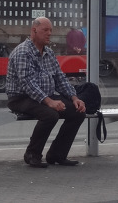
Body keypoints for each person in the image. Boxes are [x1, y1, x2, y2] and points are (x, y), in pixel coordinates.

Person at [6, 16, 86, 167]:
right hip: (20, 97)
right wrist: (50, 102)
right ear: (34, 30)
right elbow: (28, 83)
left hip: (44, 96)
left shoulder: (49, 53)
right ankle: (32, 154)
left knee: (78, 112)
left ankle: (57, 154)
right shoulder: (23, 52)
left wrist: (74, 98)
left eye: (50, 30)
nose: (49, 33)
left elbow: (60, 78)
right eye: (45, 30)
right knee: (50, 115)